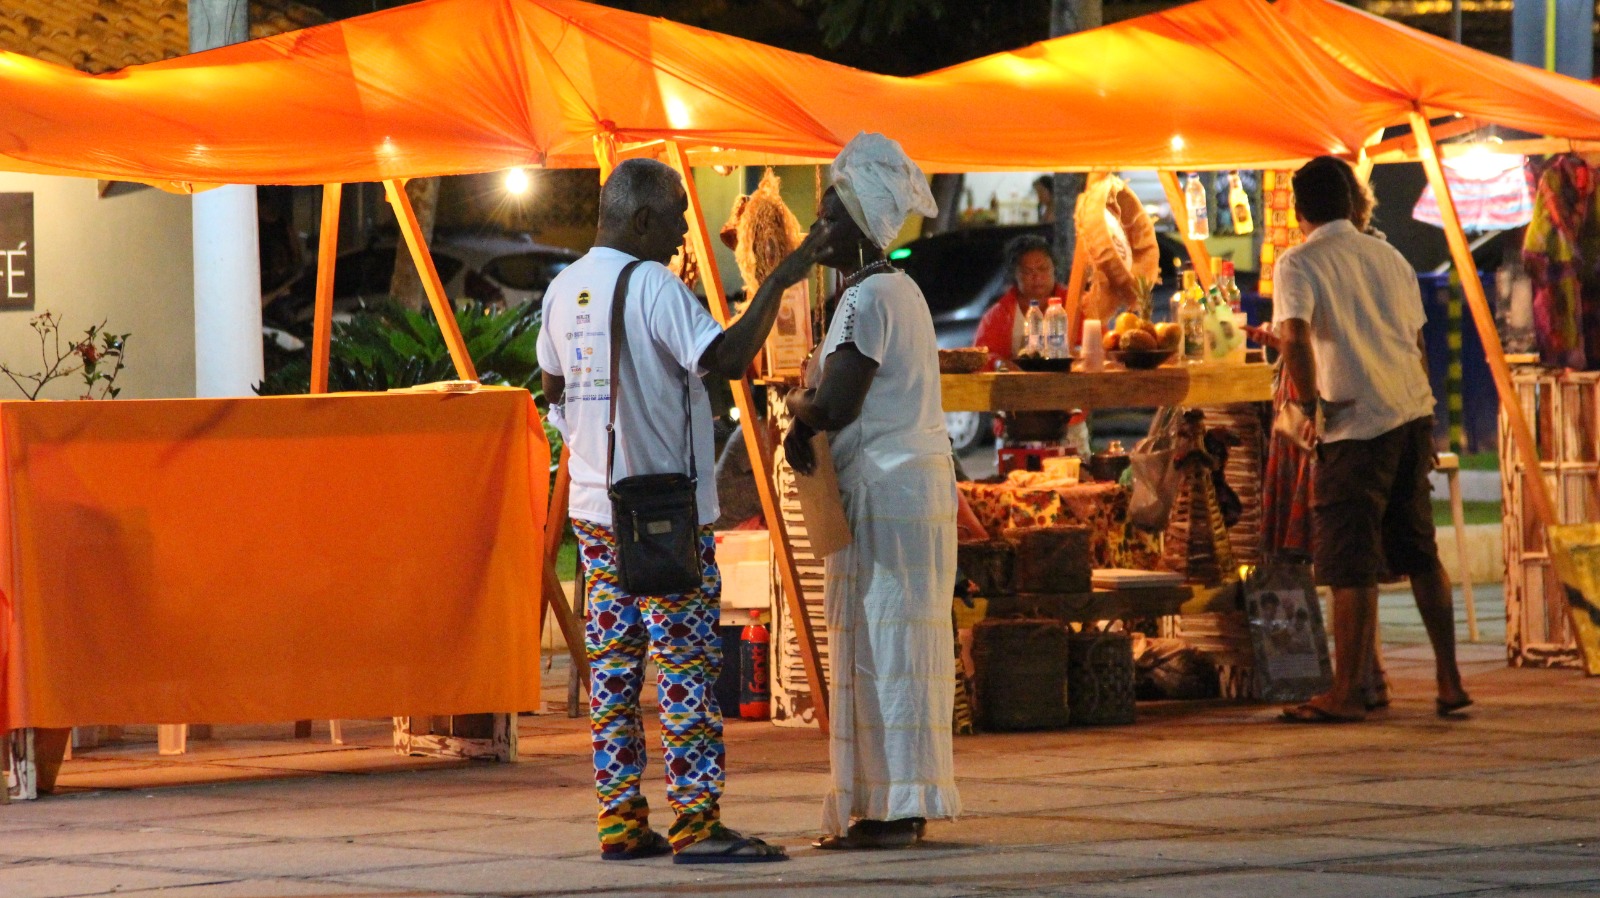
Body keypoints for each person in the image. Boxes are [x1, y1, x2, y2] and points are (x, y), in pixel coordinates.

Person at [539, 157, 820, 863]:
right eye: (672, 220)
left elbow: (550, 385)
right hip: (663, 513)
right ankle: (696, 822)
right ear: (639, 220)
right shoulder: (655, 287)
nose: (680, 236)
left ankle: (621, 822)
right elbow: (723, 359)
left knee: (612, 672)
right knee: (687, 662)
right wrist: (782, 280)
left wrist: (591, 432)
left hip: (596, 514)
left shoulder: (562, 287)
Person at [782, 132, 961, 849]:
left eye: (828, 216)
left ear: (860, 224)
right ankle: (895, 805)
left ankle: (891, 812)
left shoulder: (866, 300)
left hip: (886, 501)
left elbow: (839, 405)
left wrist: (799, 412)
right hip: (912, 496)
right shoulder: (901, 291)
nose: (817, 229)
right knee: (902, 651)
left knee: (883, 652)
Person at [1272, 156, 1472, 723]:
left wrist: (1309, 406)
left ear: (1298, 207)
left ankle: (1345, 692)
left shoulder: (1299, 261)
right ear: (1354, 203)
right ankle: (1449, 680)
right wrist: (1425, 412)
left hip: (1355, 426)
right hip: (1410, 414)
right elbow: (1417, 342)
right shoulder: (1391, 256)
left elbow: (1294, 338)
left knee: (1348, 560)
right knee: (1419, 550)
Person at [972, 233, 1069, 370]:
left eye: (1043, 268)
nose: (1037, 277)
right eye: (1027, 272)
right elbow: (981, 357)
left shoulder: (1077, 304)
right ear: (1015, 275)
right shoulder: (998, 315)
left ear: (1054, 268)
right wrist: (999, 364)